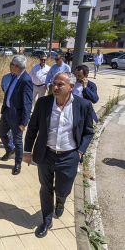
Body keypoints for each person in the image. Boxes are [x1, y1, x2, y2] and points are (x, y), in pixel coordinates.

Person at [23, 71, 94, 238]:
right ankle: (46, 220)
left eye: (60, 85)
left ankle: (60, 201)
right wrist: (27, 151)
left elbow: (88, 132)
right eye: (54, 84)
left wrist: (80, 151)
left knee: (63, 190)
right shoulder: (43, 103)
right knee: (46, 188)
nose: (55, 87)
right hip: (46, 154)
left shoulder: (83, 105)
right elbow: (33, 128)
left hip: (69, 156)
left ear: (70, 87)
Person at [0, 55, 33, 175]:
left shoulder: (26, 80)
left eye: (11, 64)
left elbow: (28, 104)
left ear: (16, 66)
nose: (10, 65)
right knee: (1, 132)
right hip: (7, 112)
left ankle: (18, 163)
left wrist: (24, 122)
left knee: (18, 141)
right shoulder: (15, 76)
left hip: (17, 116)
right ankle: (9, 149)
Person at [1, 62, 15, 150]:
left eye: (14, 66)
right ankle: (10, 144)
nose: (12, 68)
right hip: (7, 105)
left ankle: (13, 144)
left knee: (14, 127)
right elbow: (3, 88)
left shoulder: (21, 79)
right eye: (11, 66)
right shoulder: (5, 78)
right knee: (5, 128)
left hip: (16, 107)